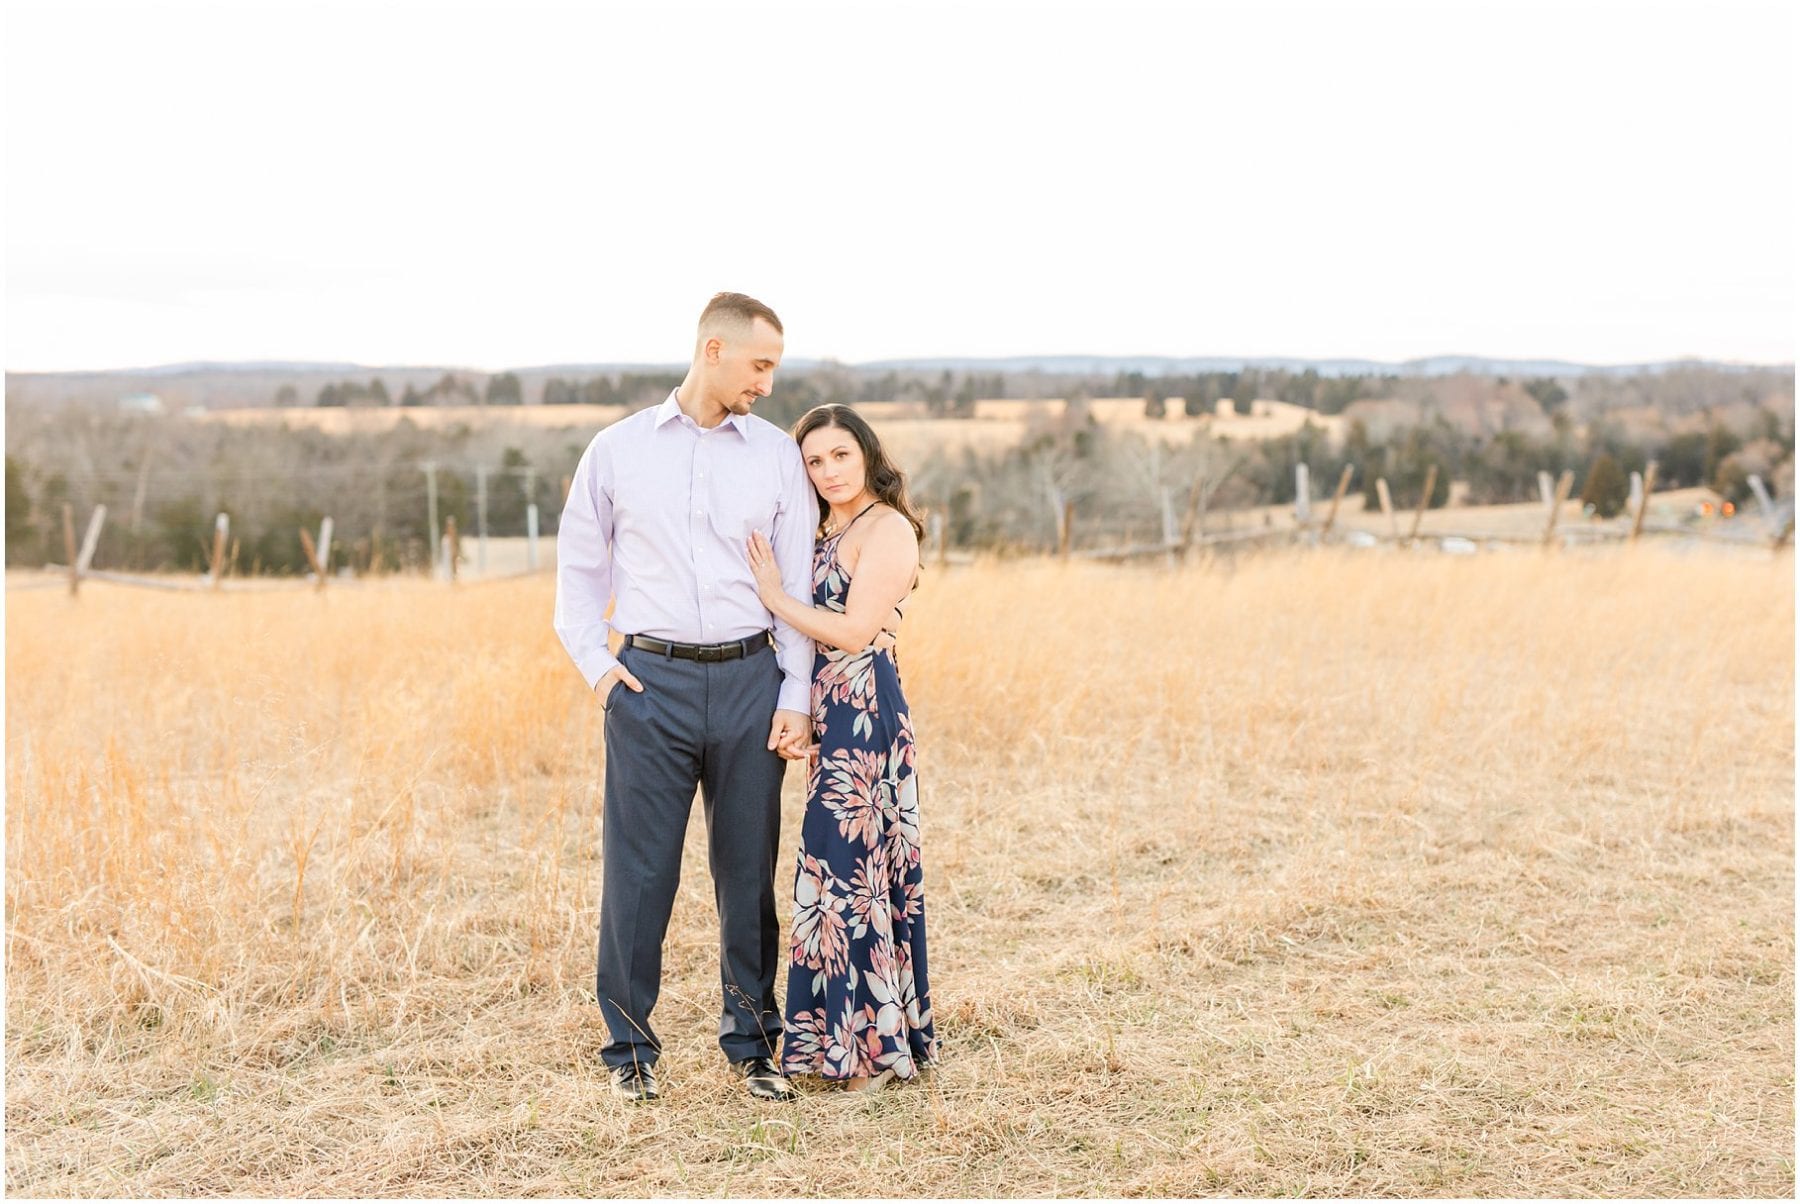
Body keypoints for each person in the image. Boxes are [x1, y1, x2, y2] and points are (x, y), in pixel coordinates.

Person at [553, 292, 815, 1104]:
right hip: (650, 685)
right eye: (759, 364)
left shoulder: (776, 455)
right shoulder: (617, 450)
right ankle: (630, 1051)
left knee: (748, 873)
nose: (769, 383)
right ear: (714, 350)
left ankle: (754, 1042)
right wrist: (600, 671)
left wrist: (796, 693)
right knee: (639, 874)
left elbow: (798, 578)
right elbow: (578, 572)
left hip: (750, 681)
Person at [745, 403, 940, 1092]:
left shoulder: (885, 529)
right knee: (833, 879)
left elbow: (856, 632)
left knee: (854, 878)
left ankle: (872, 1056)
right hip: (831, 714)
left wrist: (773, 594)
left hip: (866, 711)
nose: (828, 471)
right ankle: (838, 1044)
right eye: (814, 461)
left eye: (840, 457)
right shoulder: (829, 527)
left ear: (867, 456)